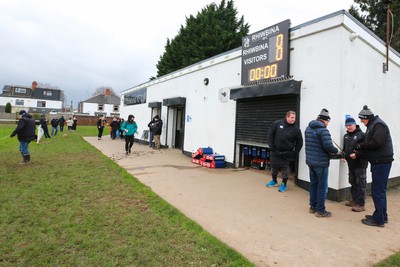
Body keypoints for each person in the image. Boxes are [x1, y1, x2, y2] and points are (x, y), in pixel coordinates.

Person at [351, 105, 393, 227]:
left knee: (377, 191)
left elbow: (376, 143)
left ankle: (378, 220)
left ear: (367, 118)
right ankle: (381, 216)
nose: (361, 122)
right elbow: (371, 147)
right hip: (379, 162)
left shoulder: (379, 125)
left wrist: (361, 146)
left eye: (362, 119)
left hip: (382, 163)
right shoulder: (373, 125)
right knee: (379, 191)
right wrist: (358, 152)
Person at [304, 108, 339, 218]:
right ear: (325, 120)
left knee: (313, 184)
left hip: (311, 162)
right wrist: (337, 151)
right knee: (322, 187)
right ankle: (320, 210)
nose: (328, 124)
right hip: (321, 163)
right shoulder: (323, 130)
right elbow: (328, 146)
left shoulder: (308, 128)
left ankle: (312, 206)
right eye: (328, 122)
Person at [266, 110, 303, 192]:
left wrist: (295, 152)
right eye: (292, 117)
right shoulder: (277, 123)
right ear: (287, 117)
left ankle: (284, 184)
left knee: (285, 169)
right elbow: (270, 135)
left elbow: (300, 142)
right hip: (275, 151)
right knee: (274, 167)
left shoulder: (296, 129)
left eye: (294, 118)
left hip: (287, 153)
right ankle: (274, 181)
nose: (293, 119)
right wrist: (271, 147)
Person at [343, 117, 368, 212]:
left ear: (355, 125)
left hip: (360, 164)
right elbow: (345, 148)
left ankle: (361, 204)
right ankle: (354, 200)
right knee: (352, 181)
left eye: (350, 125)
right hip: (351, 164)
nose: (348, 127)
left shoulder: (362, 135)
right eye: (347, 125)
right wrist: (343, 155)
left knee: (361, 183)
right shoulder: (346, 136)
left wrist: (357, 154)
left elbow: (366, 150)